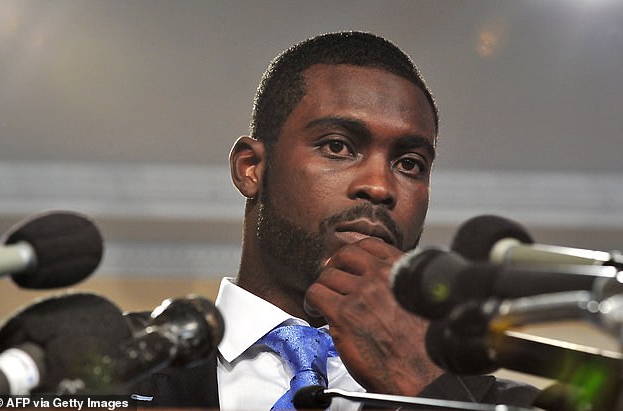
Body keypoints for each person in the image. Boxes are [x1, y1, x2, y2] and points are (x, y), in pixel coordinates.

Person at [131, 31, 539, 410]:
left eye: (410, 164)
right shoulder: (108, 363)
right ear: (251, 168)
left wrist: (422, 385)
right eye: (338, 146)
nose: (380, 186)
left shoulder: (497, 403)